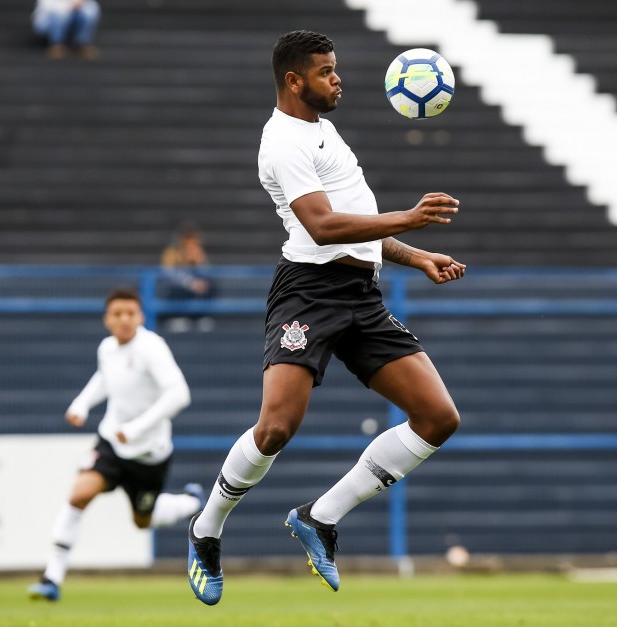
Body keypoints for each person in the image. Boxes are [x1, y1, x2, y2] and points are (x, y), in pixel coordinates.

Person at [186, 30, 466, 605]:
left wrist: (416, 257)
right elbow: (322, 227)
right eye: (326, 71)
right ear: (294, 80)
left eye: (336, 69)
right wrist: (410, 219)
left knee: (438, 417)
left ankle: (319, 517)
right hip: (309, 293)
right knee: (276, 428)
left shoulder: (322, 130)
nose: (338, 79)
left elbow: (357, 223)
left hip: (360, 295)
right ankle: (206, 529)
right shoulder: (282, 142)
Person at [28, 288, 203, 602]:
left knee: (141, 521)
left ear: (141, 317)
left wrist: (136, 428)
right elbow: (105, 378)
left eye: (130, 313)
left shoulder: (152, 348)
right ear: (107, 319)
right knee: (79, 494)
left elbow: (179, 395)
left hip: (149, 455)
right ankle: (51, 577)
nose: (124, 319)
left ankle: (190, 502)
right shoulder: (107, 348)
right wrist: (81, 404)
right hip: (111, 443)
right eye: (117, 314)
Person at [160, 223, 218, 332]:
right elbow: (169, 275)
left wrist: (197, 263)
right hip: (176, 289)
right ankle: (177, 316)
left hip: (195, 289)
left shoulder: (199, 253)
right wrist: (189, 282)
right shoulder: (171, 253)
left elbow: (207, 273)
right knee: (178, 290)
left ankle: (201, 317)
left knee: (211, 286)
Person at [31, 0, 101, 60]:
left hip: (69, 21)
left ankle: (83, 43)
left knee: (90, 9)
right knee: (58, 15)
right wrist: (71, 6)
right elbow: (48, 8)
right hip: (47, 25)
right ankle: (56, 45)